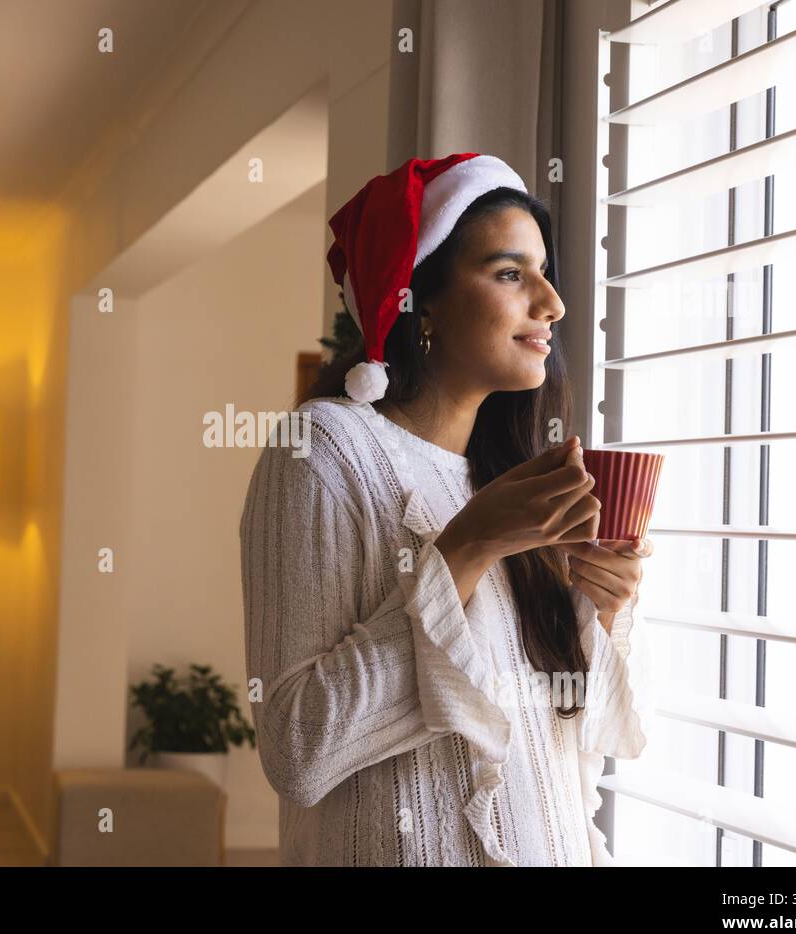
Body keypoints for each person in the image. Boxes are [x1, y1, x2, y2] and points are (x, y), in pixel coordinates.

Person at [238, 153, 657, 866]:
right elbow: (297, 748)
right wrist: (467, 548)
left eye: (544, 272)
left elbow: (550, 755)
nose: (551, 302)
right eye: (509, 272)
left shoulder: (514, 481)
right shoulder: (324, 450)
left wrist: (600, 611)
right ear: (419, 301)